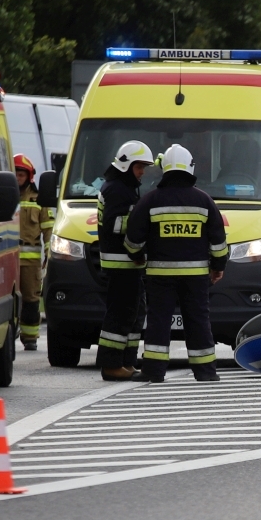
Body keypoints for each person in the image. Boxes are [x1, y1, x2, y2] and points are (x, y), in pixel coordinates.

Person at [123, 144, 228, 383]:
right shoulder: (205, 201)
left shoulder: (149, 201)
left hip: (160, 276)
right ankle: (206, 372)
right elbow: (218, 241)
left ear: (165, 169)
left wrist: (137, 256)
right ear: (190, 167)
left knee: (159, 321)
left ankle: (153, 370)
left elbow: (132, 240)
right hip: (196, 276)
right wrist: (218, 267)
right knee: (198, 320)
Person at [92, 140, 154, 379]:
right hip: (121, 263)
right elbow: (114, 224)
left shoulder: (121, 187)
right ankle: (111, 365)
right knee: (120, 315)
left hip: (126, 263)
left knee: (134, 312)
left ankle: (126, 361)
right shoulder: (118, 189)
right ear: (127, 165)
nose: (142, 173)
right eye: (139, 167)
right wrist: (142, 224)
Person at [15, 154, 53, 350]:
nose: (17, 178)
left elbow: (48, 228)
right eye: (15, 174)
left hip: (30, 263)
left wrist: (50, 254)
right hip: (5, 259)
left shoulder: (39, 199)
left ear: (28, 176)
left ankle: (30, 338)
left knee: (31, 299)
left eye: (20, 175)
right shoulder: (2, 196)